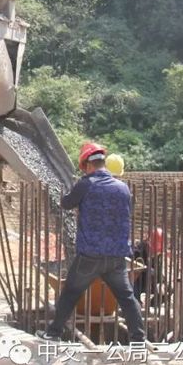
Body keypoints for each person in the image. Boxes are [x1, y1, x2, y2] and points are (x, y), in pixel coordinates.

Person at [36, 142, 146, 343]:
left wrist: (74, 190)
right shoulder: (123, 188)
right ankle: (138, 338)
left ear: (87, 164)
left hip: (90, 255)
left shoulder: (86, 184)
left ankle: (53, 333)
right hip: (116, 256)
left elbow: (66, 203)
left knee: (70, 292)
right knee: (127, 298)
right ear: (103, 163)